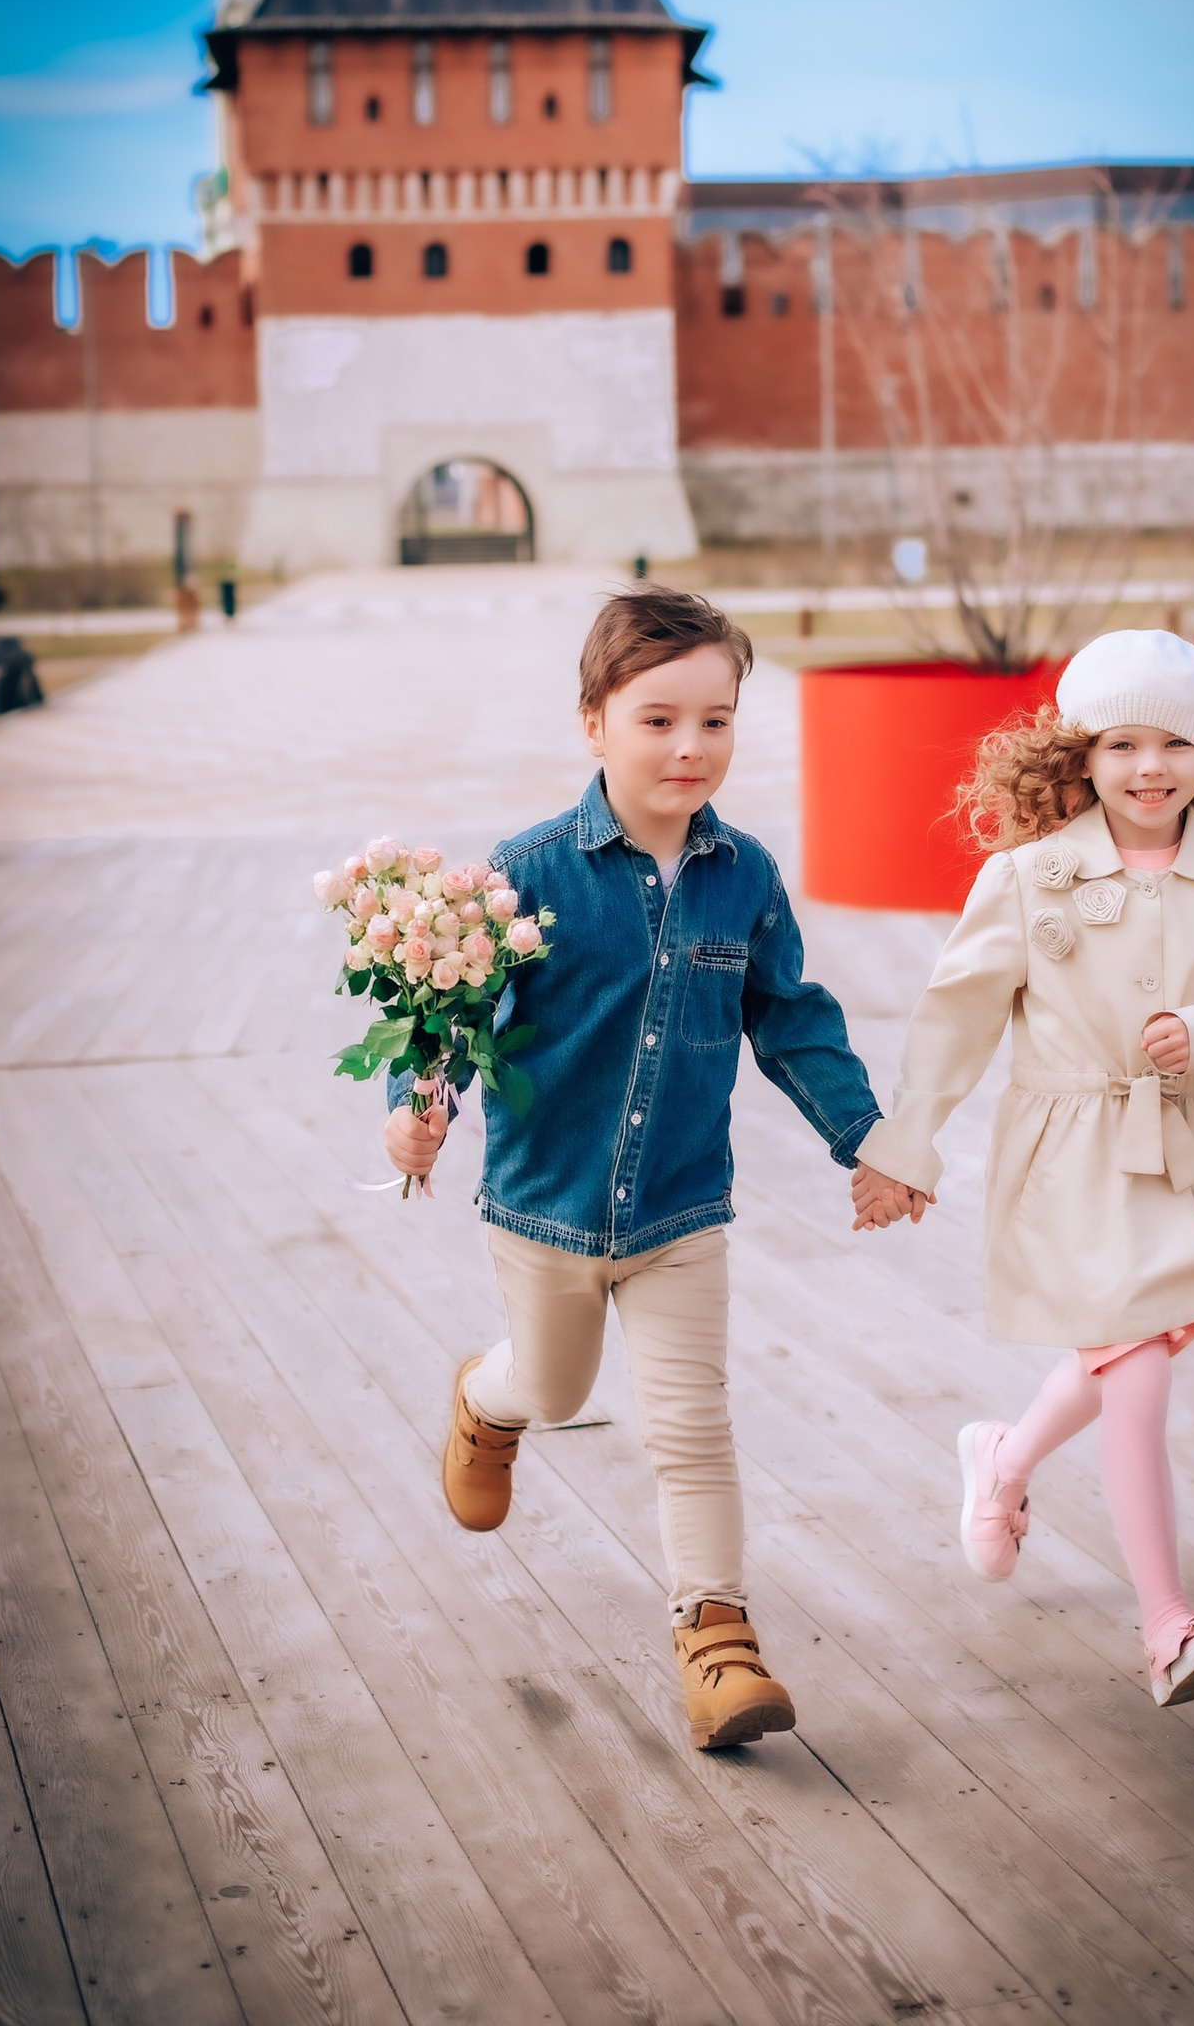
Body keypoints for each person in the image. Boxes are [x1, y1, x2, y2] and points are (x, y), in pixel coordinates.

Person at [384, 585, 883, 1751]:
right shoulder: (531, 875)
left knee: (691, 1430)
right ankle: (484, 1397)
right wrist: (415, 1114)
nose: (690, 746)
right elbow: (452, 1019)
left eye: (716, 720)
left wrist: (869, 1140)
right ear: (593, 722)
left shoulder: (744, 878)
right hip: (547, 1209)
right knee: (554, 1394)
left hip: (678, 1212)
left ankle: (717, 1644)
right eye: (658, 718)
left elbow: (791, 1017)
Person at [851, 631, 1194, 1707]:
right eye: (1122, 743)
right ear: (1082, 754)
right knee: (1141, 1377)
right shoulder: (1027, 878)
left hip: (1184, 1149)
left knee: (1134, 1349)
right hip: (1070, 1155)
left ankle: (1005, 1457)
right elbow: (956, 1020)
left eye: (1174, 743)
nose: (1149, 767)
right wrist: (904, 1151)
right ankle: (1166, 1625)